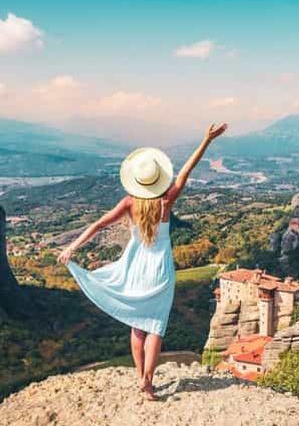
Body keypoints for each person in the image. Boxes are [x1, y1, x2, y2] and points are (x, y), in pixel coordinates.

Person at [57, 123, 228, 401]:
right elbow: (187, 170)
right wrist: (207, 140)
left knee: (137, 325)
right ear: (158, 180)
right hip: (160, 272)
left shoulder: (129, 203)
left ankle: (141, 379)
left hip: (135, 269)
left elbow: (98, 225)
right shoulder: (167, 200)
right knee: (155, 326)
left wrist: (72, 248)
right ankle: (148, 383)